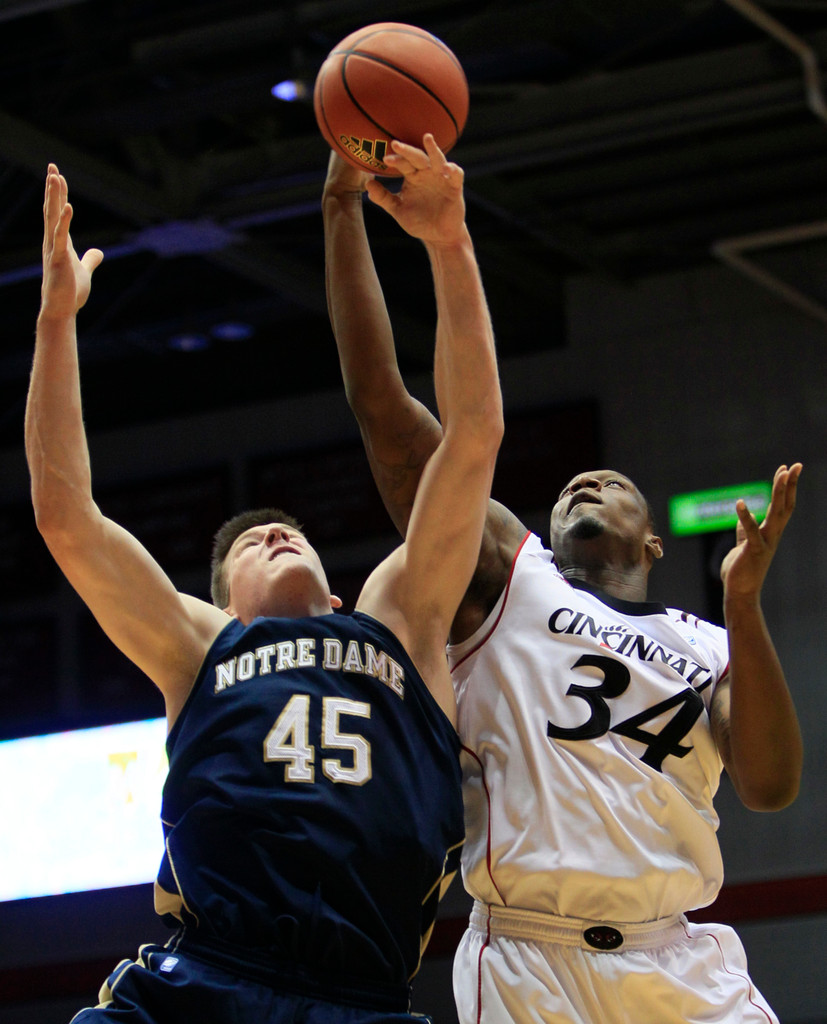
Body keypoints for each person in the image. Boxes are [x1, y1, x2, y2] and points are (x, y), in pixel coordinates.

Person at [27, 136, 503, 1024]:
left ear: (335, 594)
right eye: (247, 546)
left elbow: (471, 436)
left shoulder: (399, 619)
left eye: (288, 532)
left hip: (364, 996)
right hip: (203, 979)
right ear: (219, 602)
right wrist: (56, 325)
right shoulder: (199, 645)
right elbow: (65, 515)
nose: (273, 532)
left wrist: (449, 243)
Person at [323, 151, 804, 1023]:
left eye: (610, 482)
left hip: (679, 955)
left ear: (652, 540)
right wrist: (339, 208)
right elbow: (385, 411)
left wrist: (742, 604)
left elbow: (769, 785)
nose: (586, 482)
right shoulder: (511, 580)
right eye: (570, 487)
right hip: (527, 957)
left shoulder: (707, 642)